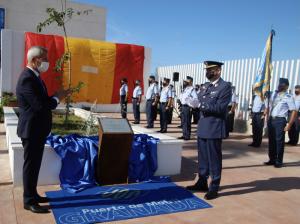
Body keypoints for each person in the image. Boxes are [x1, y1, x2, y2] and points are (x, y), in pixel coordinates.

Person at [16, 46, 70, 213]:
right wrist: (57, 98)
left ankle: (33, 194)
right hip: (31, 130)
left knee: (35, 165)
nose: (47, 62)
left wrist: (54, 95)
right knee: (30, 166)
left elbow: (42, 101)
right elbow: (40, 106)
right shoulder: (27, 78)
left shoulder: (36, 77)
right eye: (44, 59)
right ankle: (28, 200)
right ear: (34, 60)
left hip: (37, 130)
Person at [186, 61, 232, 200]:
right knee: (203, 158)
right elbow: (199, 102)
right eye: (207, 70)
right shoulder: (205, 86)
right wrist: (192, 102)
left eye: (210, 70)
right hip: (203, 126)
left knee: (214, 159)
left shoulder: (225, 87)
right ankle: (202, 182)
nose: (207, 72)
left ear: (218, 71)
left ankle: (214, 186)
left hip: (214, 128)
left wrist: (200, 104)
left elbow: (220, 108)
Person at [264, 78, 297, 168]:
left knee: (279, 141)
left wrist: (289, 124)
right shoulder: (274, 94)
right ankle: (272, 159)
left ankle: (279, 161)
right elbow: (268, 105)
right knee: (271, 141)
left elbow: (293, 111)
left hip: (280, 120)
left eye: (282, 85)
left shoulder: (288, 97)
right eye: (279, 84)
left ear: (286, 86)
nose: (280, 86)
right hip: (271, 119)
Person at [178, 76, 197, 140]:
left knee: (187, 122)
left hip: (187, 107)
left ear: (191, 81)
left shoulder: (192, 89)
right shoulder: (186, 89)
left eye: (187, 80)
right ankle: (184, 134)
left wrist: (191, 105)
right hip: (183, 106)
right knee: (183, 121)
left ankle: (187, 135)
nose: (185, 82)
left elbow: (195, 99)